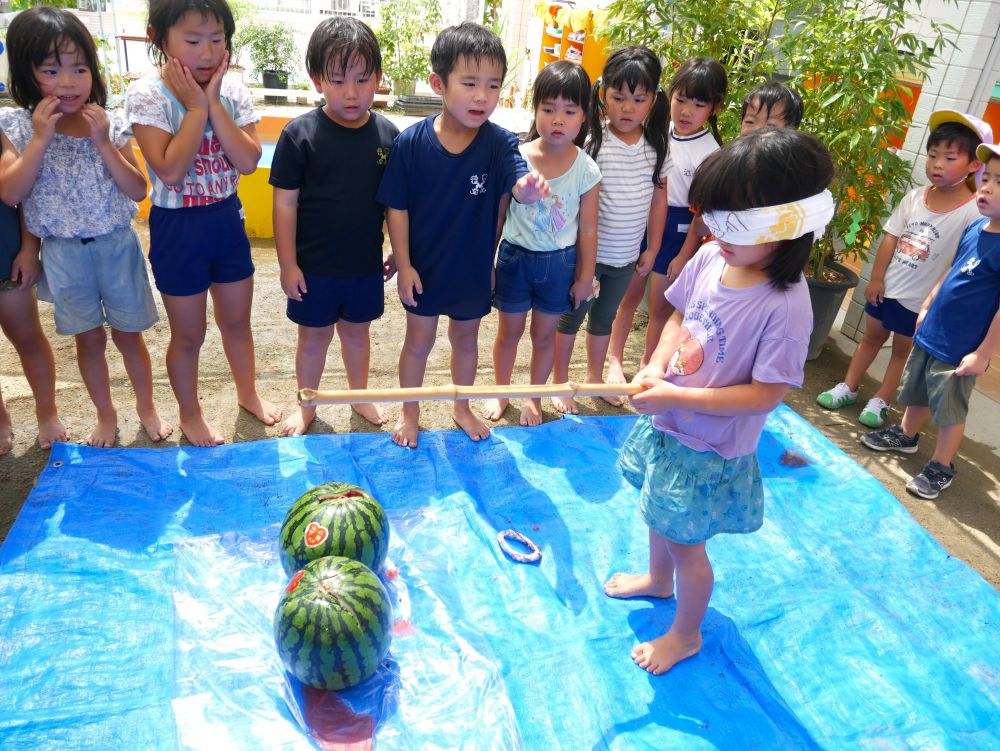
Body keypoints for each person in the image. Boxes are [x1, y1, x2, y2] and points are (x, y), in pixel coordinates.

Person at [605, 127, 835, 675]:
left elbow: (766, 394)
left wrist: (680, 395)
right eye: (715, 213)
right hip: (669, 422)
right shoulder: (712, 257)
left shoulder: (786, 304)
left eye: (738, 218)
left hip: (710, 448)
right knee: (660, 516)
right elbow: (680, 317)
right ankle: (658, 582)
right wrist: (658, 367)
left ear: (790, 221)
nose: (715, 227)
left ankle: (685, 633)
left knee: (689, 545)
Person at [0, 7, 169, 448]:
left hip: (116, 246)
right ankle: (105, 417)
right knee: (89, 342)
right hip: (63, 253)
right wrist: (39, 138)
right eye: (51, 70)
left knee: (130, 338)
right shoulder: (17, 126)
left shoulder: (107, 123)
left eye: (79, 68)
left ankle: (146, 408)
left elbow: (138, 190)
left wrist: (103, 143)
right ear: (26, 73)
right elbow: (13, 192)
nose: (69, 81)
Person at [376, 22, 549, 448]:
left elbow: (519, 183)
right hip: (424, 270)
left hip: (473, 269)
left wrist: (528, 190)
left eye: (492, 86)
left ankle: (461, 406)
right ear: (439, 83)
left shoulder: (501, 143)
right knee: (418, 342)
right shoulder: (411, 144)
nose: (481, 96)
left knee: (466, 341)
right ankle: (409, 411)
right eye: (469, 83)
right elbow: (395, 207)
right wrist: (405, 264)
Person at [127, 0, 280, 447]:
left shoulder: (231, 90)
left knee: (238, 322)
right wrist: (195, 109)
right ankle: (190, 413)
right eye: (193, 41)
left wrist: (213, 102)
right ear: (159, 37)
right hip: (177, 227)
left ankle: (247, 392)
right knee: (189, 333)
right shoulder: (147, 95)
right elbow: (170, 171)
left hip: (225, 219)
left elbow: (249, 160)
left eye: (217, 40)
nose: (207, 52)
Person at [818, 110, 989, 428]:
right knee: (870, 338)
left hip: (921, 302)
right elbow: (890, 238)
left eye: (949, 157)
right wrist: (877, 278)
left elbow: (959, 263)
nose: (937, 163)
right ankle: (849, 386)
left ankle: (881, 398)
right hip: (887, 289)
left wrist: (933, 302)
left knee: (901, 350)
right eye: (933, 154)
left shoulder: (972, 212)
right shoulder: (914, 198)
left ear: (974, 165)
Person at [270, 17, 399, 436]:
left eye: (362, 79)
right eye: (338, 79)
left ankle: (358, 396)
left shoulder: (387, 135)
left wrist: (400, 251)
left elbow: (397, 204)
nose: (351, 91)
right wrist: (288, 264)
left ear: (378, 79)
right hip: (313, 268)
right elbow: (284, 203)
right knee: (313, 339)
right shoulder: (299, 134)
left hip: (363, 266)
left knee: (357, 336)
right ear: (316, 79)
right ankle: (307, 404)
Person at [861, 141, 1000, 500]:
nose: (986, 188)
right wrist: (928, 302)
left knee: (950, 406)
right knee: (918, 389)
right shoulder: (978, 227)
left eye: (999, 182)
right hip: (933, 329)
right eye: (988, 178)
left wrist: (983, 353)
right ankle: (905, 437)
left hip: (961, 345)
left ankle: (942, 464)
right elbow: (952, 269)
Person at [550, 46, 670, 415]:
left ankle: (595, 378)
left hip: (625, 259)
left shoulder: (657, 148)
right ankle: (559, 382)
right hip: (585, 259)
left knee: (604, 320)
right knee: (570, 318)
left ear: (653, 100)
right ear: (603, 95)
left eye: (638, 99)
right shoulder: (591, 142)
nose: (628, 108)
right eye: (619, 98)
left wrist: (652, 249)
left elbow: (658, 201)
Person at [481, 61, 601, 427]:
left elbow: (588, 231)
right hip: (515, 260)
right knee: (509, 332)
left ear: (584, 116)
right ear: (535, 110)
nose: (558, 120)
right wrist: (488, 264)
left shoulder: (586, 169)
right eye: (548, 109)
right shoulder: (516, 158)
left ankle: (533, 397)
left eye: (569, 111)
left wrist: (584, 277)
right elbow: (497, 217)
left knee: (544, 335)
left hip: (559, 264)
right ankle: (501, 392)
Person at [607, 57, 727, 388]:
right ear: (668, 96)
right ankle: (614, 359)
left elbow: (700, 212)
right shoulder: (654, 132)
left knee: (660, 306)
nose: (686, 111)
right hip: (641, 218)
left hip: (678, 230)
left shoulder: (711, 153)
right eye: (681, 99)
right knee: (627, 296)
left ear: (714, 108)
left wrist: (684, 254)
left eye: (698, 104)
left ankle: (650, 362)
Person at [0, 191, 67, 455]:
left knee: (27, 336)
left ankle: (47, 412)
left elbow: (24, 192)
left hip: (5, 251)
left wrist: (30, 249)